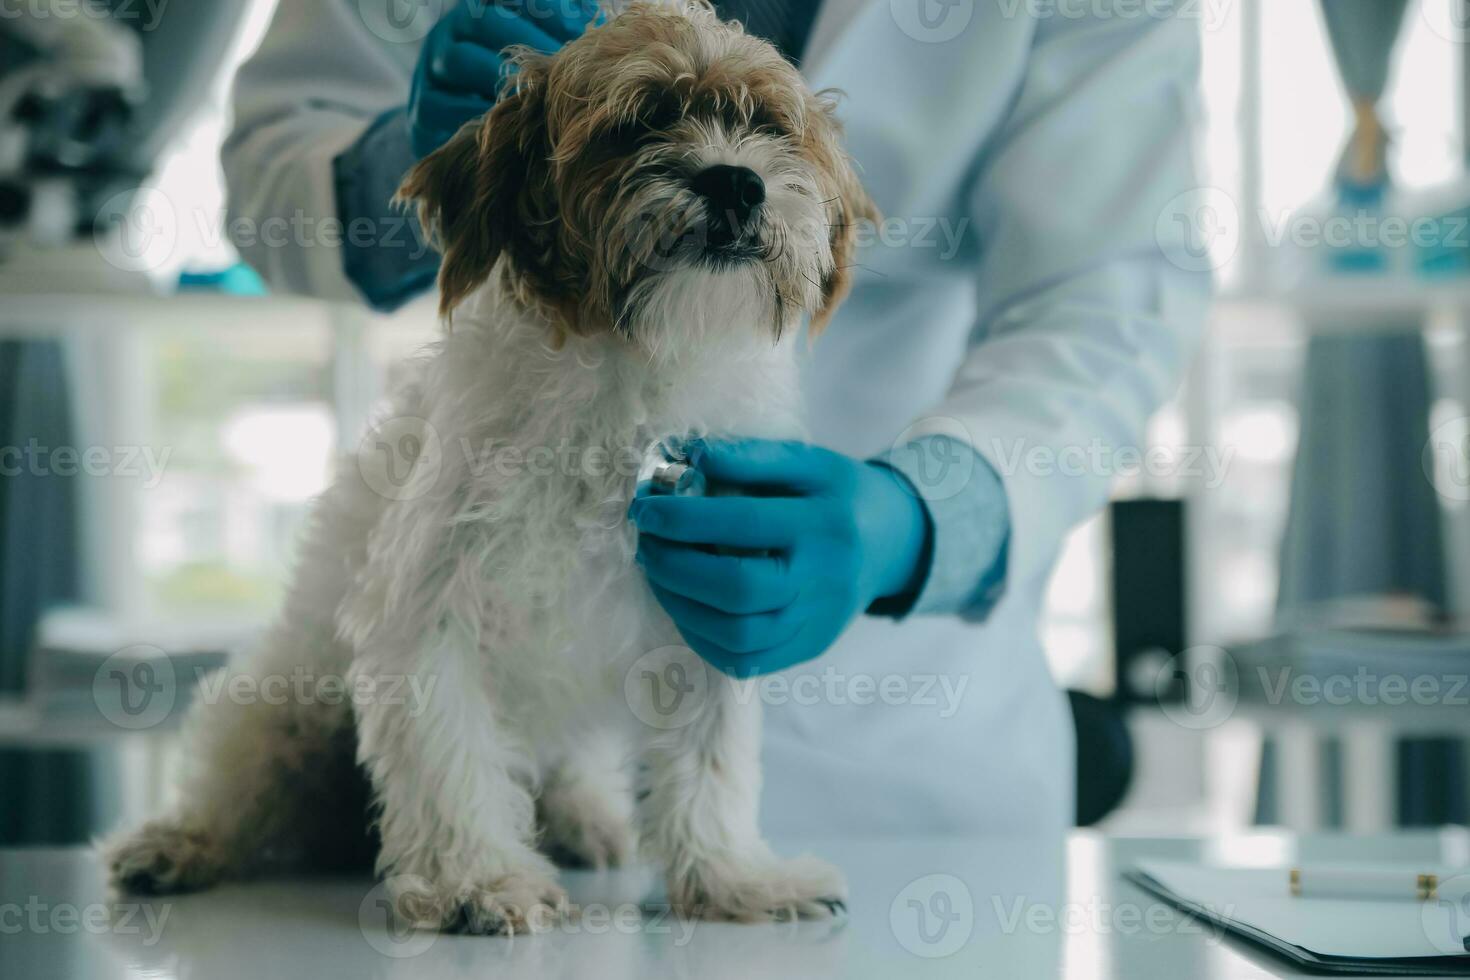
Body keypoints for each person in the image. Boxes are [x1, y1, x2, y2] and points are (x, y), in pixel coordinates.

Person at [223, 0, 1211, 837]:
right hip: (494, 760)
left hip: (897, 764)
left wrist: (915, 522)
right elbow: (271, 176)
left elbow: (1109, 298)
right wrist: (428, 157)